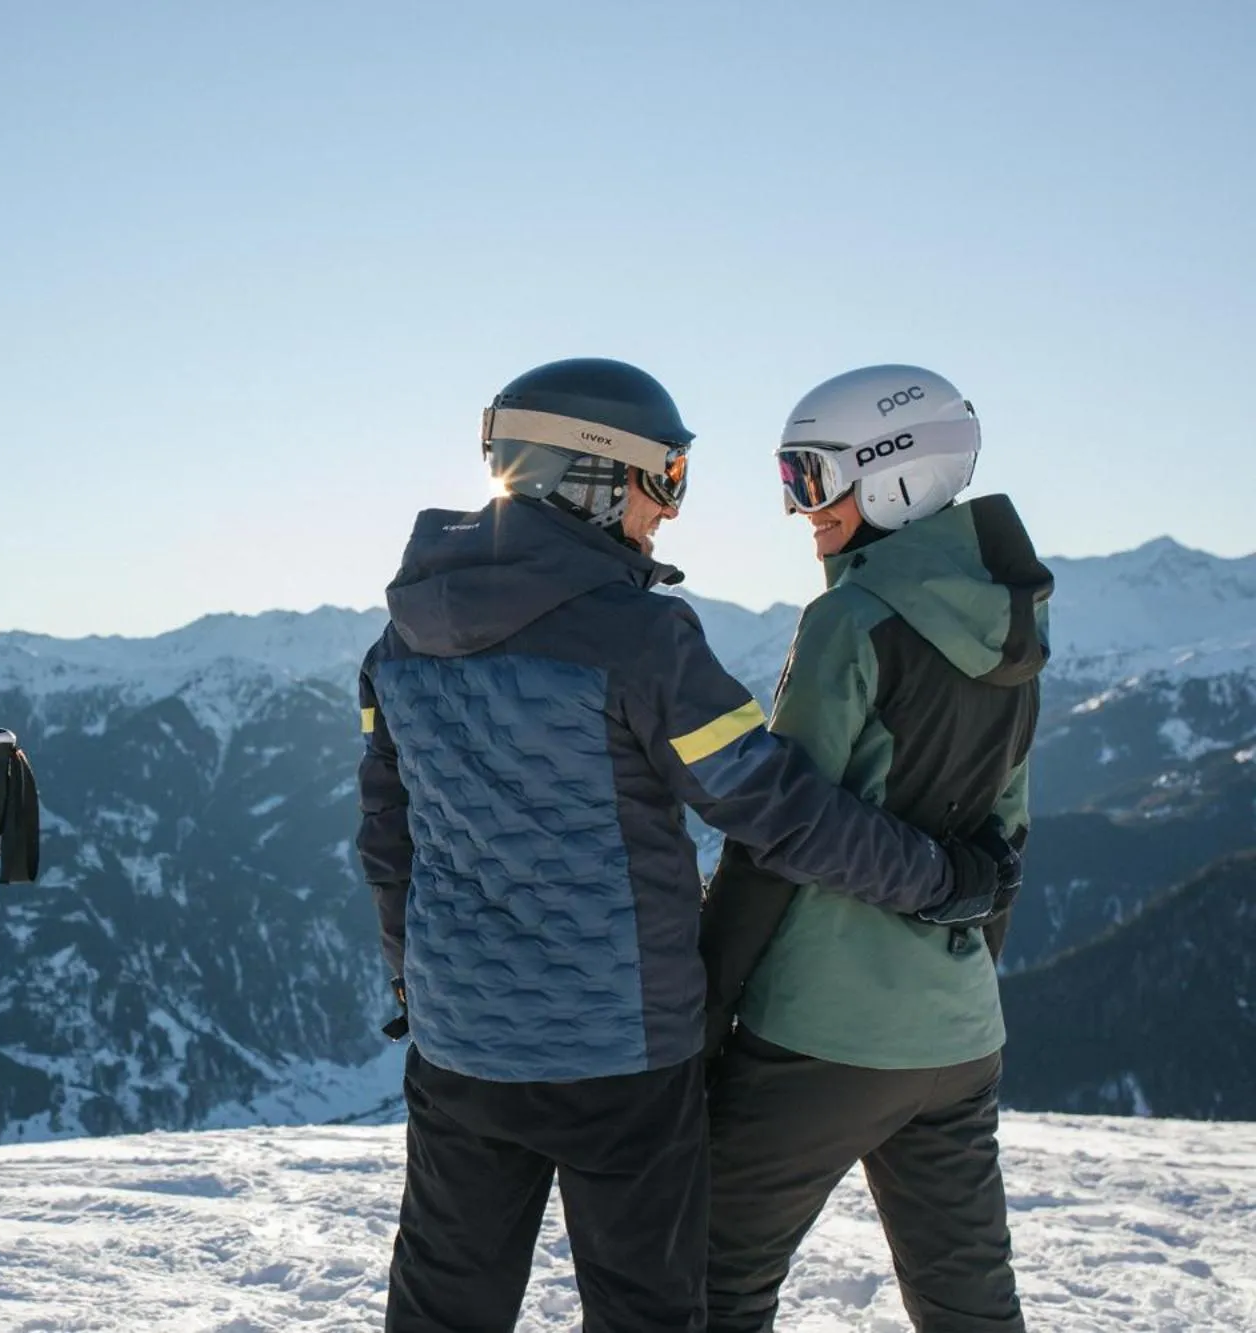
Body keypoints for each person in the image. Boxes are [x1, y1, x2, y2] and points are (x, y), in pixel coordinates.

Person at [356, 358, 1011, 1333]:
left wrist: (420, 977)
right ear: (584, 473)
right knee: (648, 1308)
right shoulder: (640, 639)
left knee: (445, 1299)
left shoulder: (396, 645)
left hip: (462, 1048)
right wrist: (937, 878)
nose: (667, 509)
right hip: (622, 1051)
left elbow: (385, 840)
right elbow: (771, 805)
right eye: (662, 476)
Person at [700, 364, 1051, 1333]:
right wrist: (954, 981)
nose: (794, 510)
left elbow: (774, 832)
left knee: (703, 1278)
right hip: (958, 1036)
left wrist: (702, 1008)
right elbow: (1005, 827)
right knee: (966, 1300)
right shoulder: (1014, 625)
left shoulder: (843, 622)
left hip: (820, 1035)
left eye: (809, 480)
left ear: (891, 475)